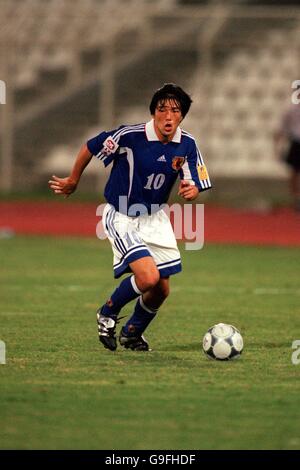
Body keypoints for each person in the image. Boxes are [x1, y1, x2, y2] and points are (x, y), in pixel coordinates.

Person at [48, 83, 212, 351]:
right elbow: (91, 146)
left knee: (161, 289)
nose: (168, 116)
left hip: (155, 217)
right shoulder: (130, 135)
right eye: (162, 110)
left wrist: (192, 190)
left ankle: (133, 333)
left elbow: (194, 182)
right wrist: (74, 180)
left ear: (182, 116)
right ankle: (107, 312)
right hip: (122, 214)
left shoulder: (188, 144)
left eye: (175, 110)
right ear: (153, 113)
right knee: (147, 278)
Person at [274, 102, 300, 211]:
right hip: (296, 142)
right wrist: (277, 147)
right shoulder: (291, 109)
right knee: (294, 172)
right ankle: (296, 199)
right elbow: (283, 127)